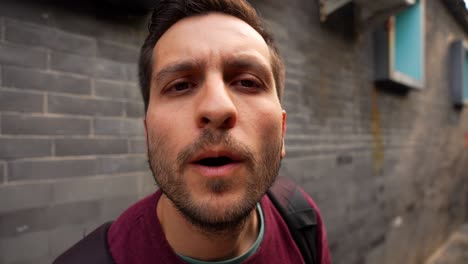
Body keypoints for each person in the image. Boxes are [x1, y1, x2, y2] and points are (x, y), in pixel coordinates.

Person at [56, 0, 331, 263]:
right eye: (180, 85)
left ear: (282, 131)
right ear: (148, 135)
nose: (217, 108)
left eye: (247, 82)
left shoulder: (302, 220)